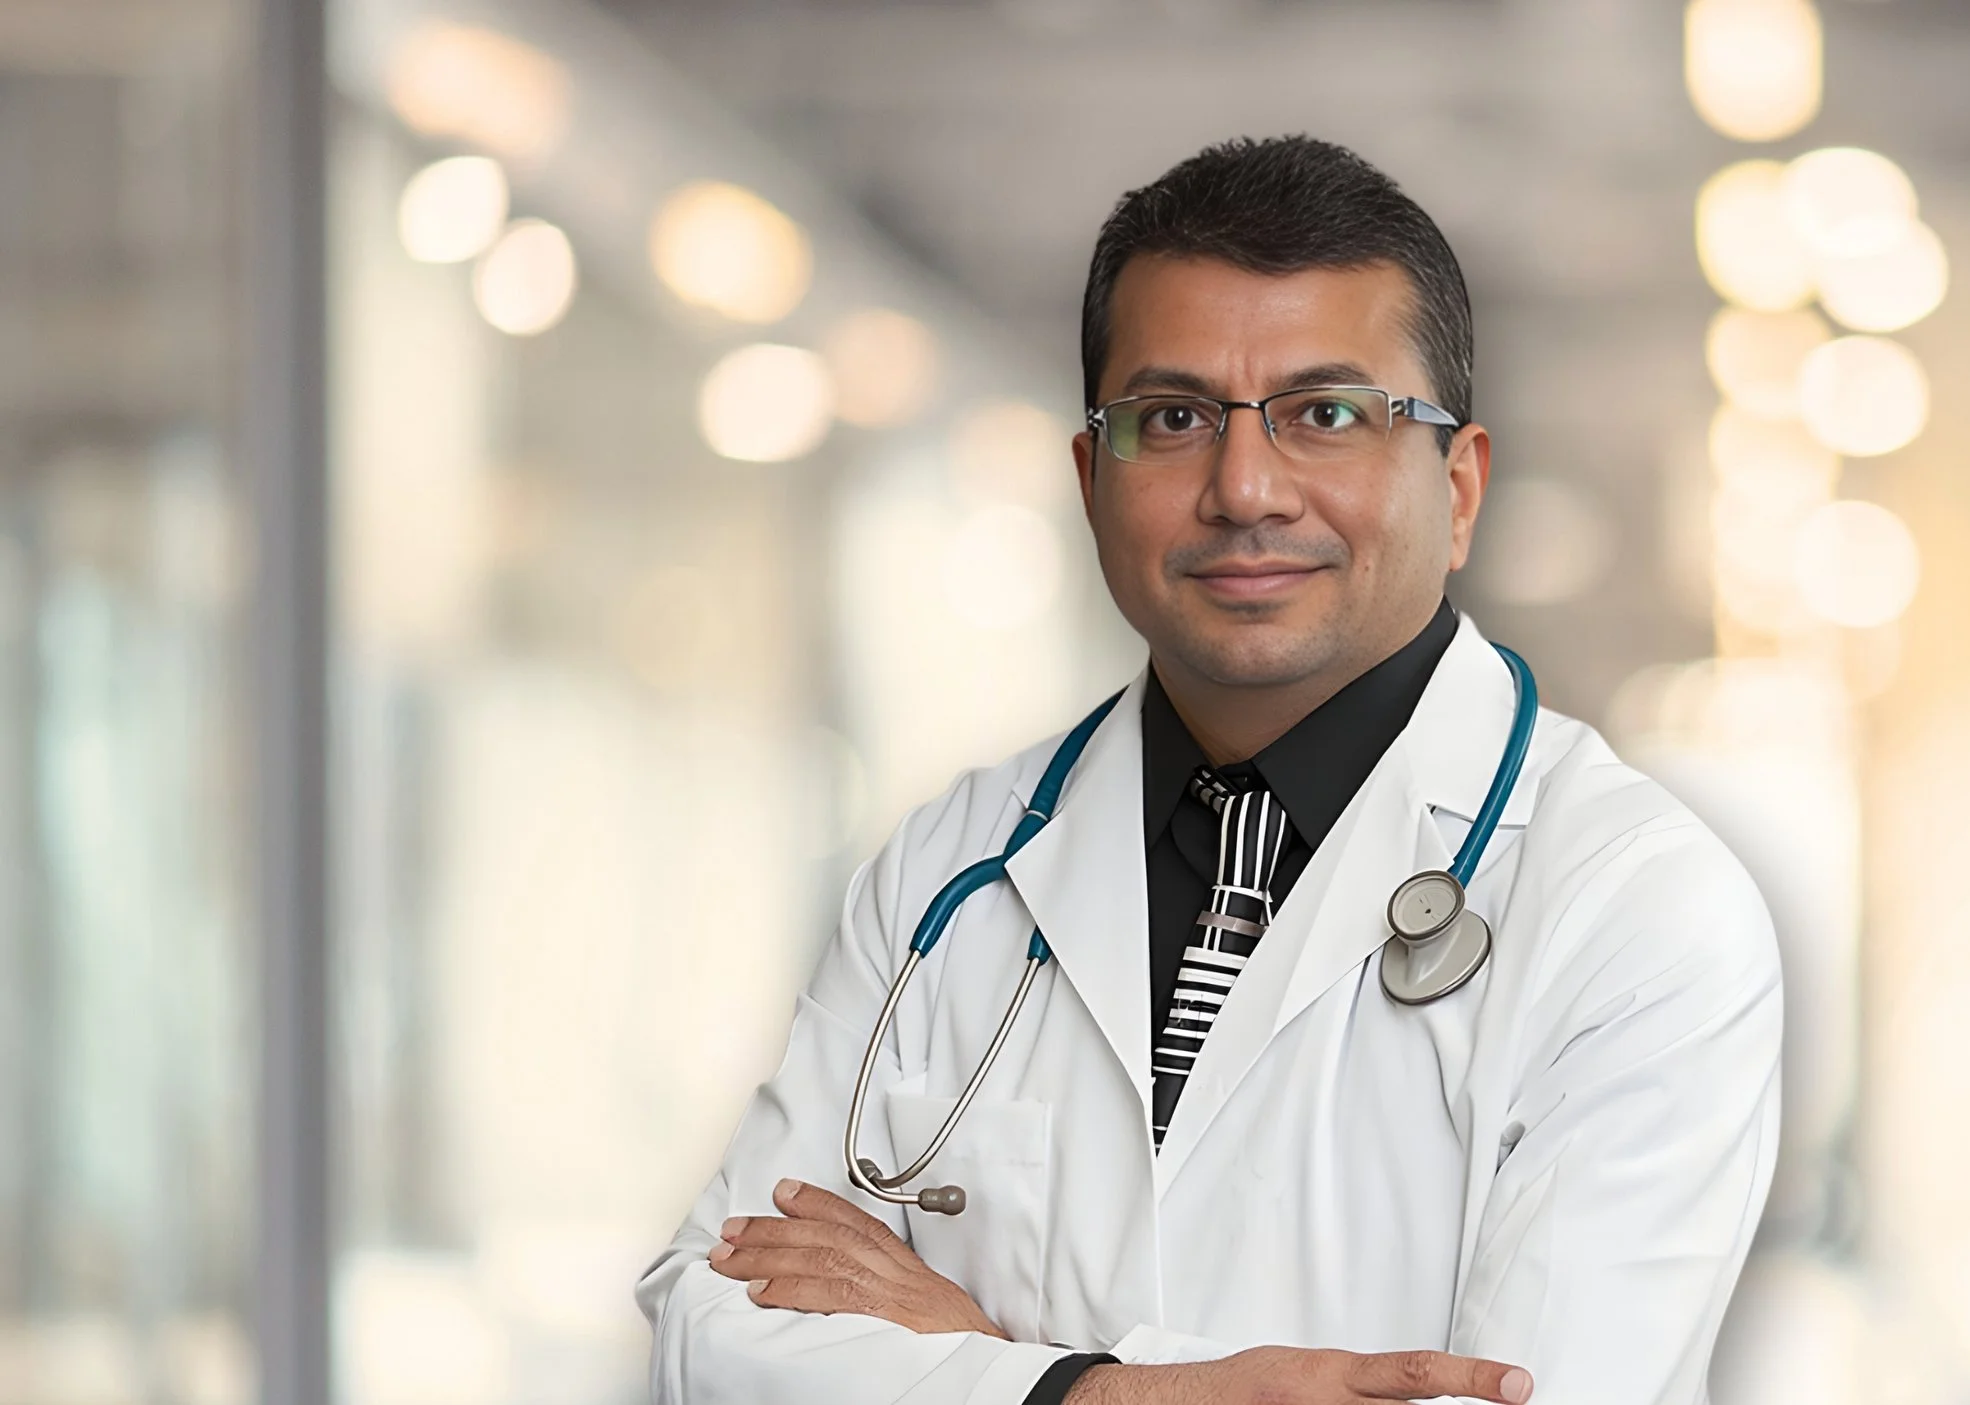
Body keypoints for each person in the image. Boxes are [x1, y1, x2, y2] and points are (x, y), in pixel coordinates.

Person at [637, 135, 1782, 1405]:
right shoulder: (951, 864)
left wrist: (991, 1360)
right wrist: (1090, 1391)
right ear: (1090, 478)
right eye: (1173, 418)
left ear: (1458, 488)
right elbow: (715, 1324)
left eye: (1327, 415)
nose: (1244, 488)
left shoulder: (1635, 910)